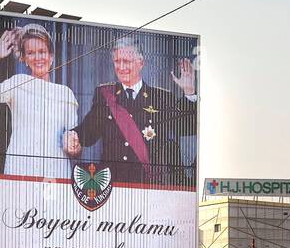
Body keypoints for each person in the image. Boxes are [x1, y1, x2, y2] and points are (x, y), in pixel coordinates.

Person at [62, 35, 198, 187]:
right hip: (114, 185)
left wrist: (189, 93)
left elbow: (185, 128)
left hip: (150, 185)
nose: (121, 67)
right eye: (117, 61)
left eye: (126, 61)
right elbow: (89, 131)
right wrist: (74, 135)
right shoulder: (105, 94)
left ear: (141, 63)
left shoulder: (161, 97)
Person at [0, 23, 80, 177]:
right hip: (20, 171)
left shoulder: (65, 93)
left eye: (42, 52)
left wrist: (73, 146)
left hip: (56, 176)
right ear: (24, 58)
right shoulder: (18, 82)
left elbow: (75, 145)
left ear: (51, 56)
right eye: (31, 53)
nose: (38, 58)